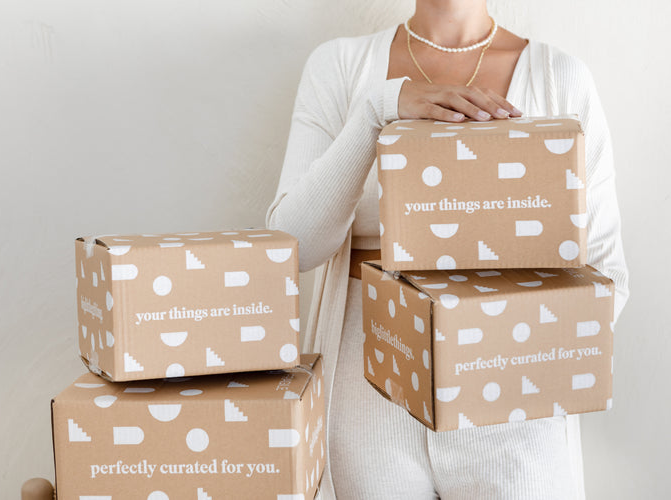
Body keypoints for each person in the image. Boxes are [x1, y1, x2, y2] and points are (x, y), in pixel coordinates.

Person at [266, 1, 629, 499]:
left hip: (514, 390)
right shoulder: (342, 68)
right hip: (372, 388)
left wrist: (500, 355)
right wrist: (378, 111)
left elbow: (608, 274)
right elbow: (292, 247)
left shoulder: (558, 77)